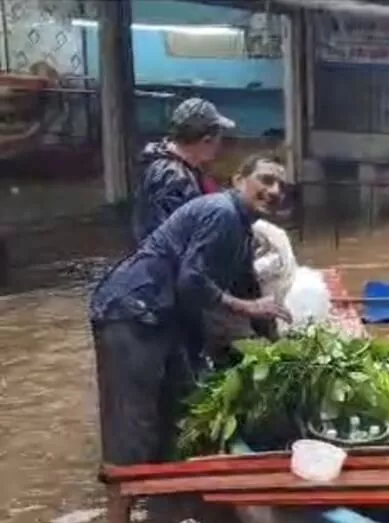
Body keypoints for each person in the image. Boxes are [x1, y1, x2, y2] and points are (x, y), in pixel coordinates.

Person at [89, 154, 291, 469]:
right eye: (266, 179)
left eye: (282, 185)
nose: (275, 190)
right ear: (238, 180)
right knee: (132, 426)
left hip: (164, 317)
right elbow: (193, 279)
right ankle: (119, 514)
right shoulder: (221, 212)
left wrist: (278, 355)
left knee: (179, 410)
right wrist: (245, 308)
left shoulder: (242, 233)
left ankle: (162, 505)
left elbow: (250, 293)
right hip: (133, 310)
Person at [132, 97, 236, 243]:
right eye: (219, 137)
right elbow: (177, 237)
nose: (220, 144)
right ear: (206, 140)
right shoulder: (174, 177)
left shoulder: (179, 164)